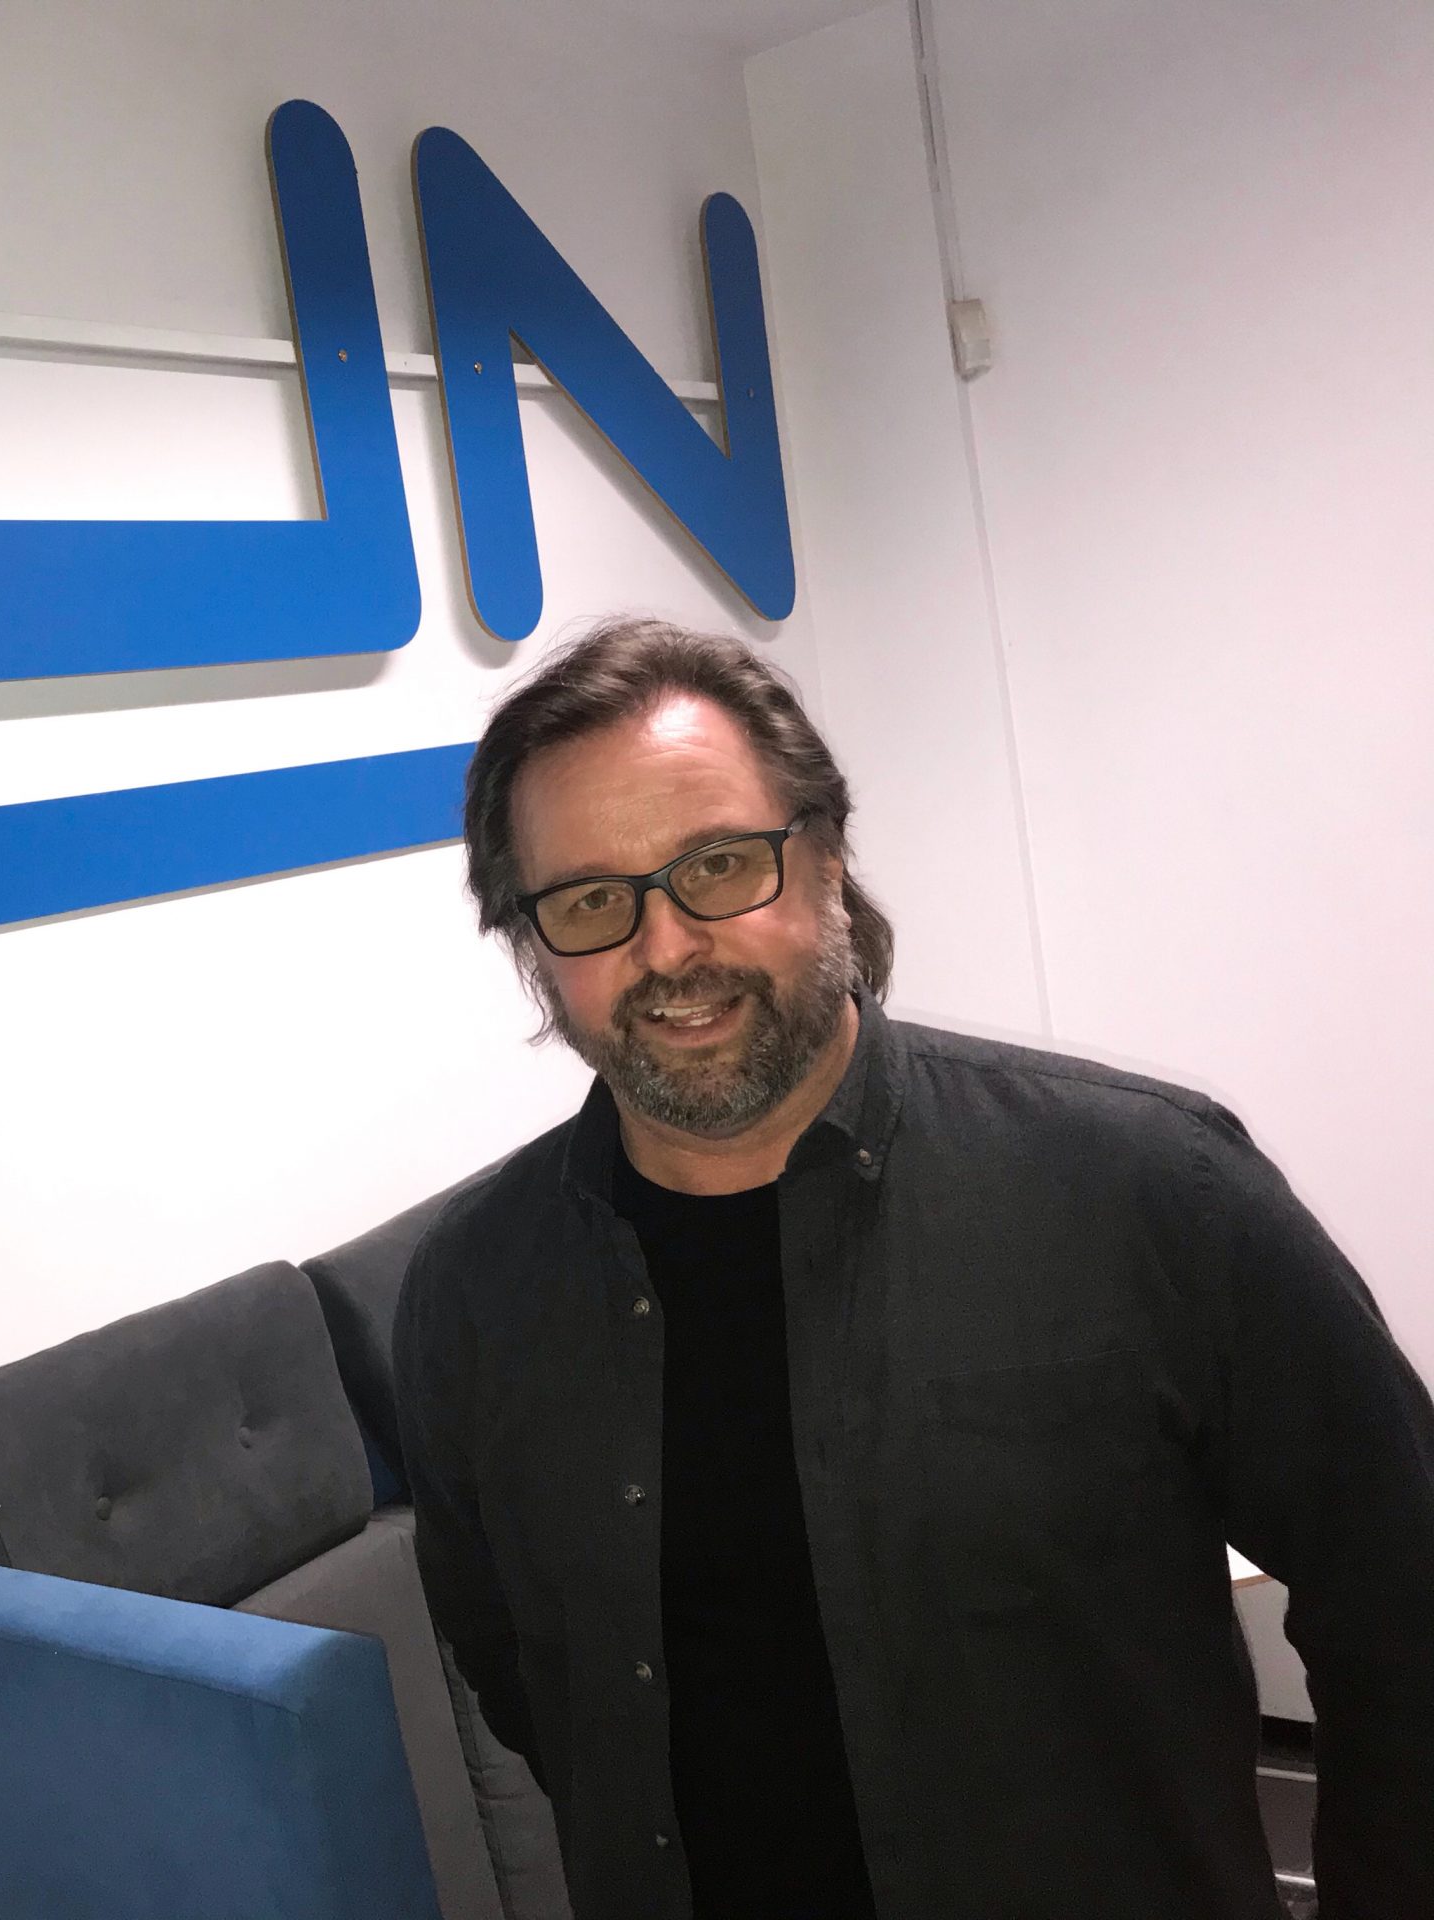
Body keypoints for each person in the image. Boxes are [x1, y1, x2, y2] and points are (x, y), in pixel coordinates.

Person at [392, 616, 1434, 1920]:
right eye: (592, 900)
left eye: (719, 865)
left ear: (827, 858)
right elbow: (521, 1673)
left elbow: (1402, 1593)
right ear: (533, 944)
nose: (666, 949)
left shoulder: (1153, 1192)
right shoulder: (472, 1299)